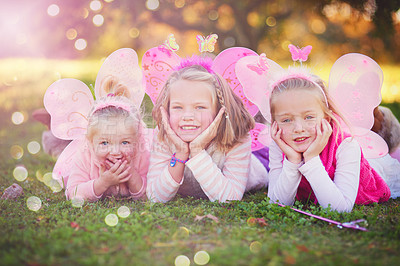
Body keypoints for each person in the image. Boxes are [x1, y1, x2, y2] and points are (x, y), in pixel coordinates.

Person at [266, 68, 400, 212]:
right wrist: (292, 161)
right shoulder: (279, 145)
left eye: (309, 117)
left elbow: (339, 209)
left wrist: (311, 158)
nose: (298, 128)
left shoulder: (347, 145)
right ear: (274, 124)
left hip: (377, 172)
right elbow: (276, 203)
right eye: (286, 120)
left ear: (326, 118)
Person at [146, 56, 268, 202]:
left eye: (200, 107)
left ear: (219, 110)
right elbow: (155, 196)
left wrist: (197, 151)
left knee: (268, 154)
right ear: (167, 110)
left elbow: (230, 198)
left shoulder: (237, 139)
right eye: (178, 107)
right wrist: (180, 153)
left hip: (259, 165)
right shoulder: (164, 136)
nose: (188, 116)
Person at [65, 76, 150, 201]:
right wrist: (102, 182)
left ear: (137, 141)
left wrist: (131, 173)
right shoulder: (85, 157)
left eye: (125, 142)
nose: (115, 152)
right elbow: (73, 194)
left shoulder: (141, 156)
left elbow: (149, 196)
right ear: (91, 143)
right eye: (104, 143)